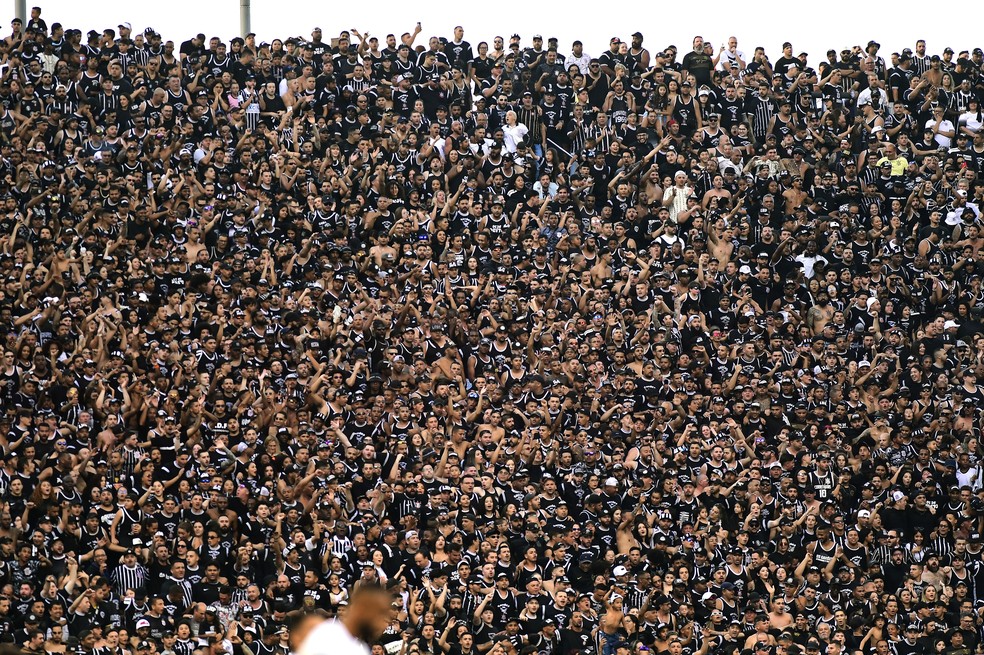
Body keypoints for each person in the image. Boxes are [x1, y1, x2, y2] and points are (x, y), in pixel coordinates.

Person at [298, 584, 393, 655]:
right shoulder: (326, 633)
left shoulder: (360, 649)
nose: (382, 623)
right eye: (378, 613)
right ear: (363, 607)